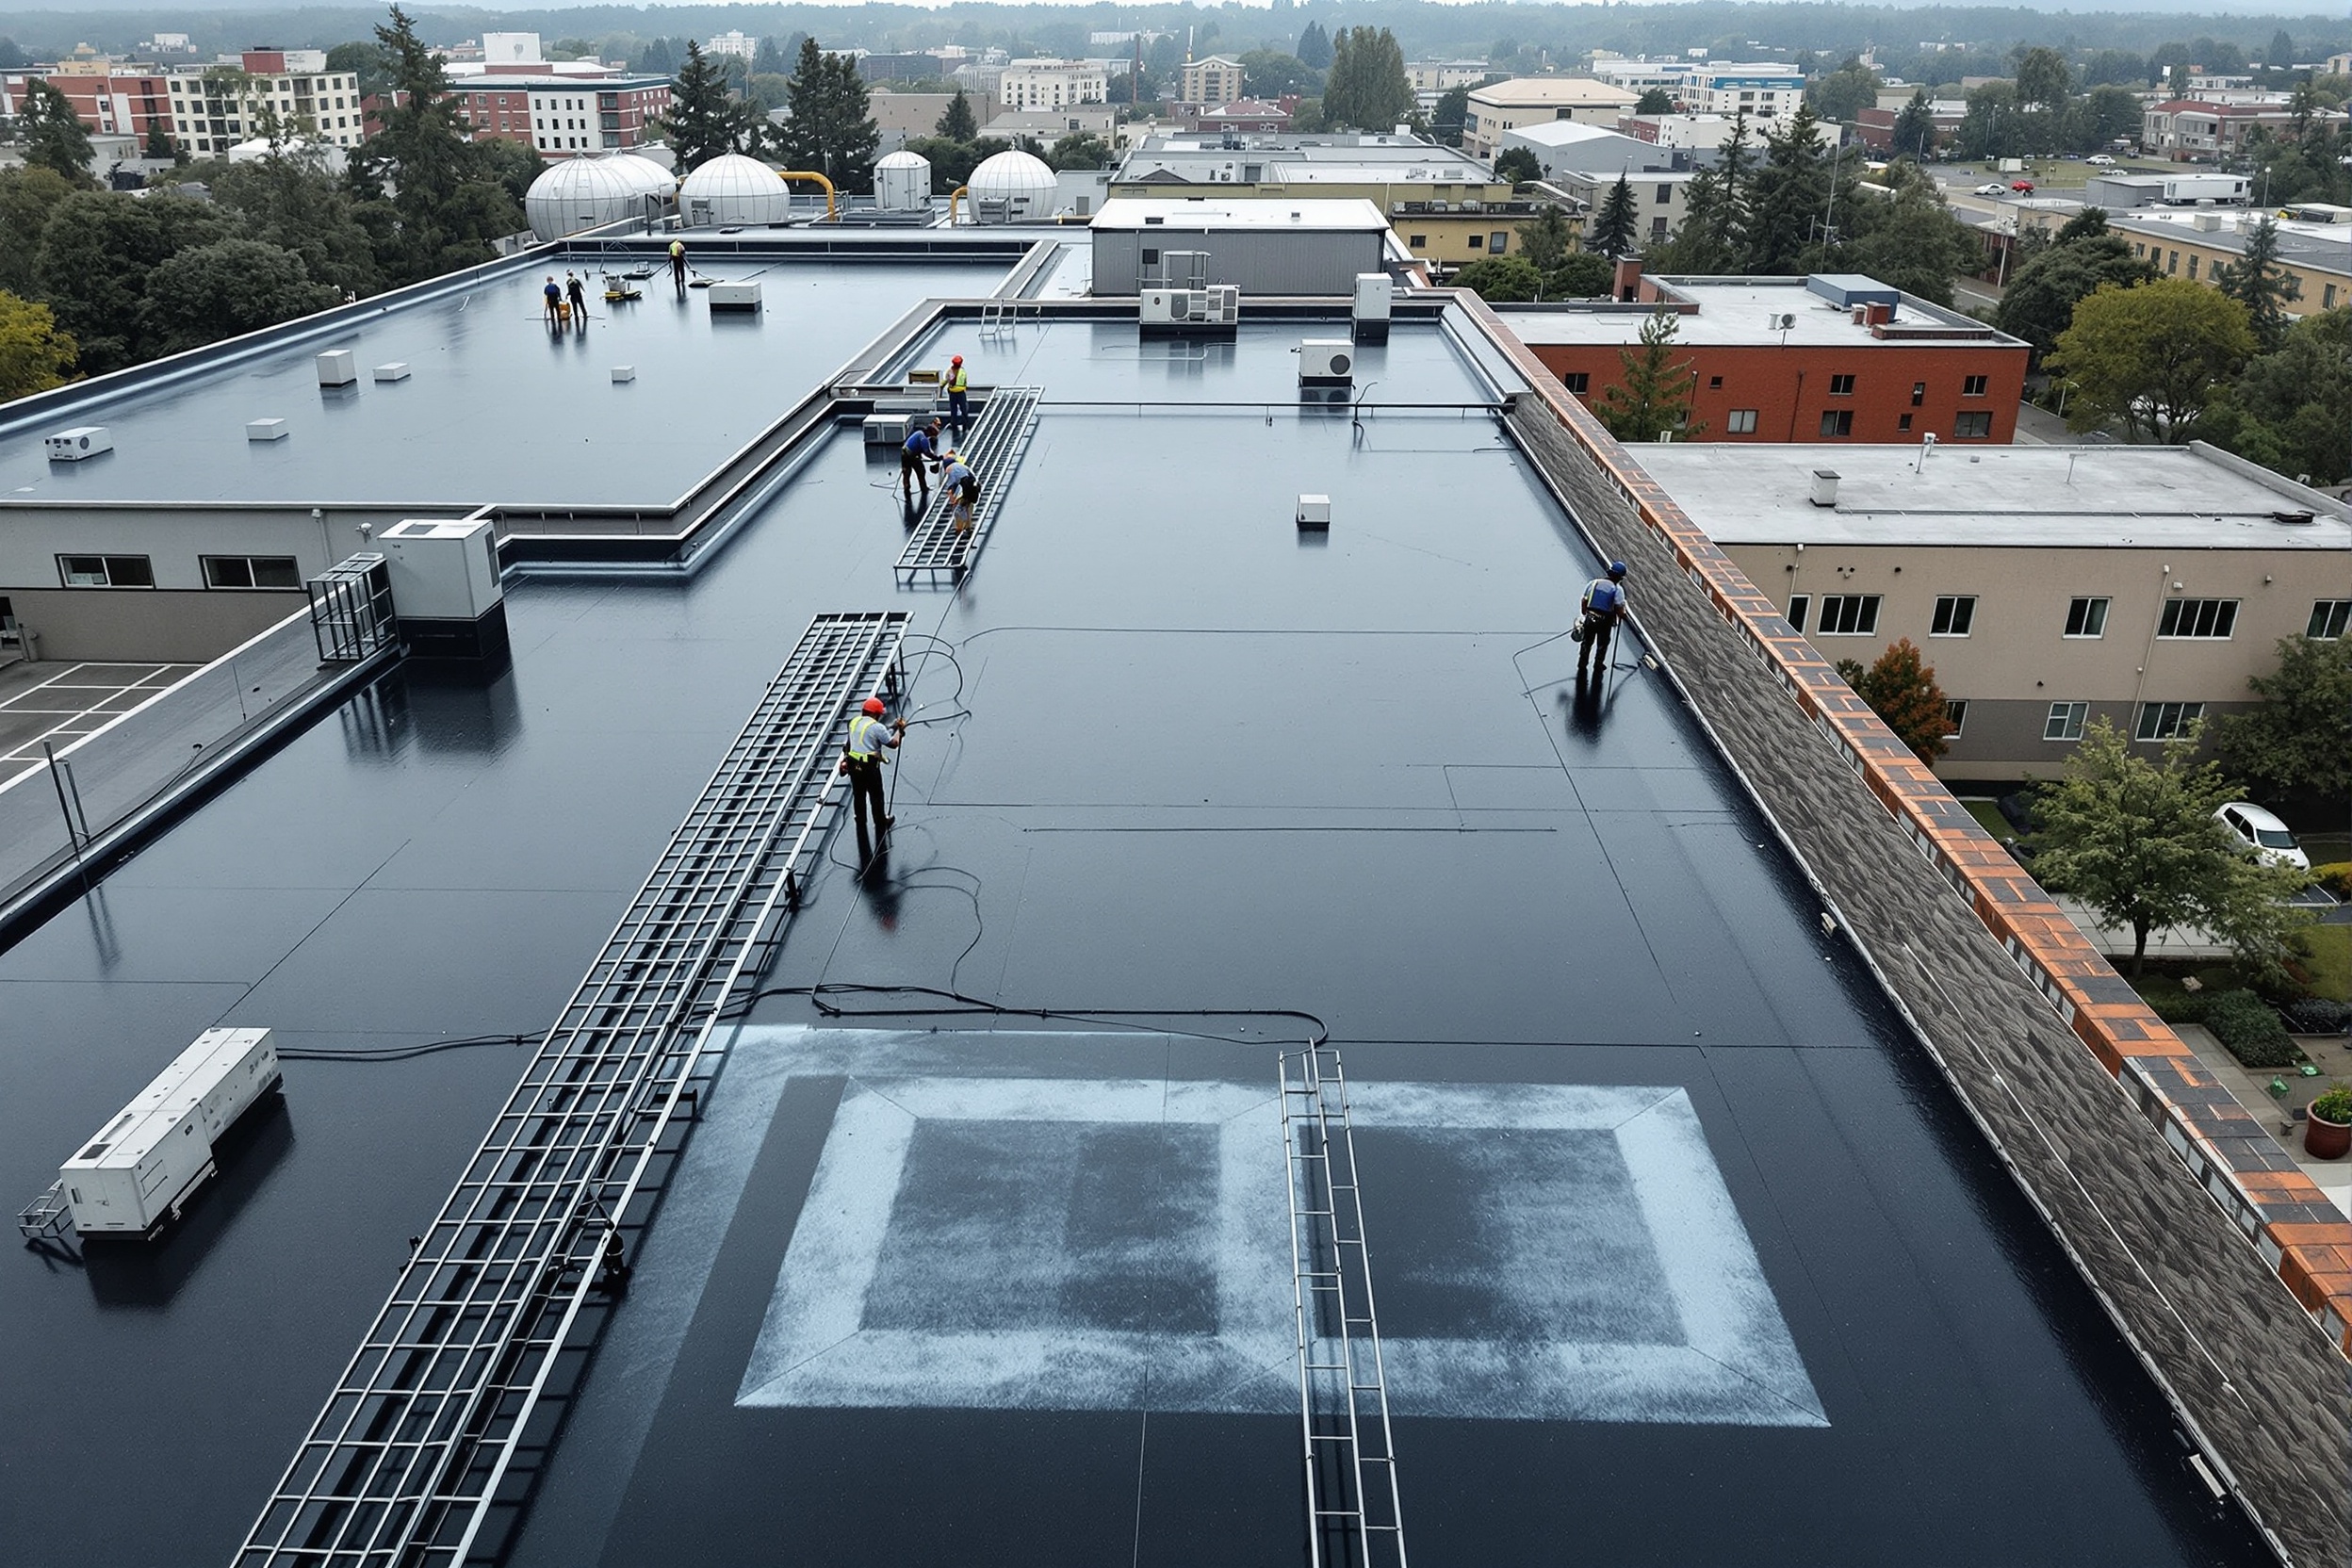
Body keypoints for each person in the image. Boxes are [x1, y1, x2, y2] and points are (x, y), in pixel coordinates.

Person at [838, 695, 906, 855]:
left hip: (854, 764)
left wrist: (844, 762)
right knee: (876, 795)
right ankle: (880, 822)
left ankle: (860, 821)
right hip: (869, 766)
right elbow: (892, 743)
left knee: (858, 794)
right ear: (876, 714)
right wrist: (900, 733)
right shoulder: (878, 727)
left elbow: (850, 743)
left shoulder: (854, 722)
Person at [1576, 561, 1629, 680]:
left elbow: (1584, 600)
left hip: (1590, 618)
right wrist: (1624, 617)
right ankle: (1598, 665)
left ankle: (1582, 662)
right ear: (1620, 577)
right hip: (1605, 621)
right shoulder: (1617, 589)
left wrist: (1584, 612)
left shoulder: (1594, 583)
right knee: (1602, 643)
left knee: (1587, 641)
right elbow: (1619, 608)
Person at [900, 418, 941, 506]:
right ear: (930, 432)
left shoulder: (919, 433)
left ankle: (906, 488)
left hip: (904, 453)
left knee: (906, 472)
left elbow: (921, 449)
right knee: (920, 471)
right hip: (910, 456)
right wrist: (936, 458)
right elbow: (927, 452)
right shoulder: (924, 439)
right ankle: (923, 488)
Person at [939, 449, 979, 535]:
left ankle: (962, 528)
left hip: (968, 488)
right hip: (974, 488)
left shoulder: (952, 470)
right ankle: (967, 527)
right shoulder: (962, 466)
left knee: (959, 510)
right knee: (968, 507)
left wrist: (953, 500)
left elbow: (951, 487)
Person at [944, 354, 971, 435]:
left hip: (953, 393)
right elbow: (965, 381)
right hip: (961, 393)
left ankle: (954, 424)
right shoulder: (963, 371)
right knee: (963, 409)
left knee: (954, 409)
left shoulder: (950, 371)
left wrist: (942, 386)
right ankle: (965, 425)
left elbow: (947, 380)